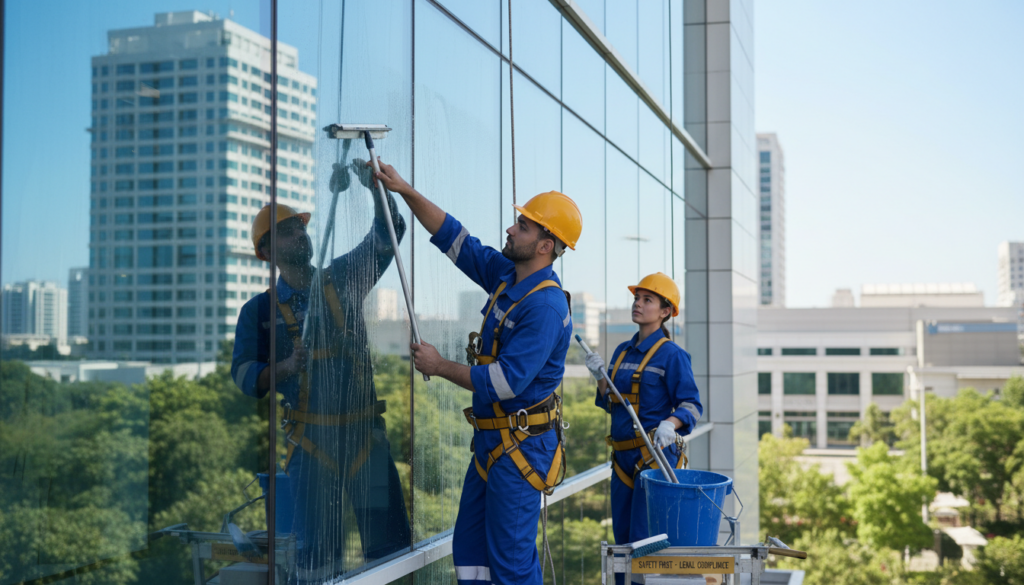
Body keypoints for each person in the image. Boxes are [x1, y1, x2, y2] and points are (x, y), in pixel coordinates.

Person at [371, 157, 582, 585]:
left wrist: (439, 365)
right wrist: (406, 191)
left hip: (520, 449)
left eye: (522, 226)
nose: (511, 229)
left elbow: (505, 382)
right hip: (493, 444)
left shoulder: (544, 305)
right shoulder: (509, 277)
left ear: (545, 245)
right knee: (471, 554)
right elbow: (457, 240)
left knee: (511, 564)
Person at [230, 162, 411, 581]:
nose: (302, 234)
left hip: (365, 438)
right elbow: (242, 374)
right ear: (268, 251)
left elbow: (388, 238)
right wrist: (284, 367)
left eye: (302, 228)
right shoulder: (258, 313)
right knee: (316, 562)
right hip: (310, 447)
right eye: (290, 231)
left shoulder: (342, 278)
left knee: (390, 551)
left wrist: (375, 192)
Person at [586, 272, 702, 550]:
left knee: (643, 541)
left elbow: (692, 405)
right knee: (622, 540)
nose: (637, 303)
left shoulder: (672, 355)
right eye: (637, 298)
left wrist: (670, 424)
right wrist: (600, 377)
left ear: (665, 312)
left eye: (647, 300)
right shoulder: (622, 352)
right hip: (622, 457)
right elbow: (611, 401)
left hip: (654, 456)